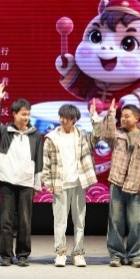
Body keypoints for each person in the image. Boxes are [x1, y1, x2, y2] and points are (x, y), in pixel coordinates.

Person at [0, 83, 43, 267]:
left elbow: (39, 160)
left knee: (25, 221)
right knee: (6, 221)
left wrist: (37, 183)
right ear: (14, 114)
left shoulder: (36, 135)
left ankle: (23, 255)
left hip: (26, 182)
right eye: (23, 114)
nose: (26, 117)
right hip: (7, 181)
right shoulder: (6, 132)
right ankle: (6, 255)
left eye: (28, 114)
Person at [41, 102, 102, 268]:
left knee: (79, 221)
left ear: (74, 119)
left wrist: (94, 116)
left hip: (79, 183)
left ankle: (78, 253)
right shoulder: (51, 138)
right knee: (60, 221)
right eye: (61, 117)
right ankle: (60, 253)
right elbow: (46, 161)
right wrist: (47, 181)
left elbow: (98, 135)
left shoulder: (82, 135)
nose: (63, 120)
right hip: (60, 183)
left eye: (66, 118)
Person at [99, 99, 140, 268]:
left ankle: (135, 256)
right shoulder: (117, 135)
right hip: (117, 184)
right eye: (122, 116)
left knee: (136, 223)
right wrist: (111, 114)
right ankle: (116, 255)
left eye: (127, 116)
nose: (123, 119)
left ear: (136, 118)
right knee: (115, 221)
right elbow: (105, 134)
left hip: (136, 187)